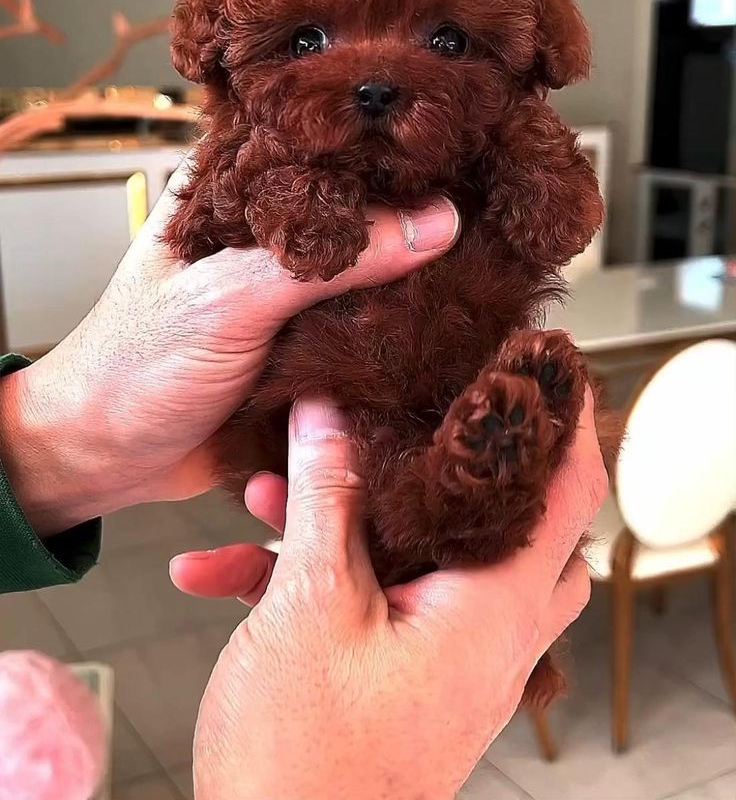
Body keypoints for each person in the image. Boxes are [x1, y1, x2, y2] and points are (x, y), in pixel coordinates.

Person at [0, 166, 606, 795]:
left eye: (451, 54)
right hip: (340, 409)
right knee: (406, 506)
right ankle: (473, 490)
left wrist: (45, 447)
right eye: (304, 55)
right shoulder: (266, 150)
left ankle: (475, 489)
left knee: (408, 514)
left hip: (428, 384)